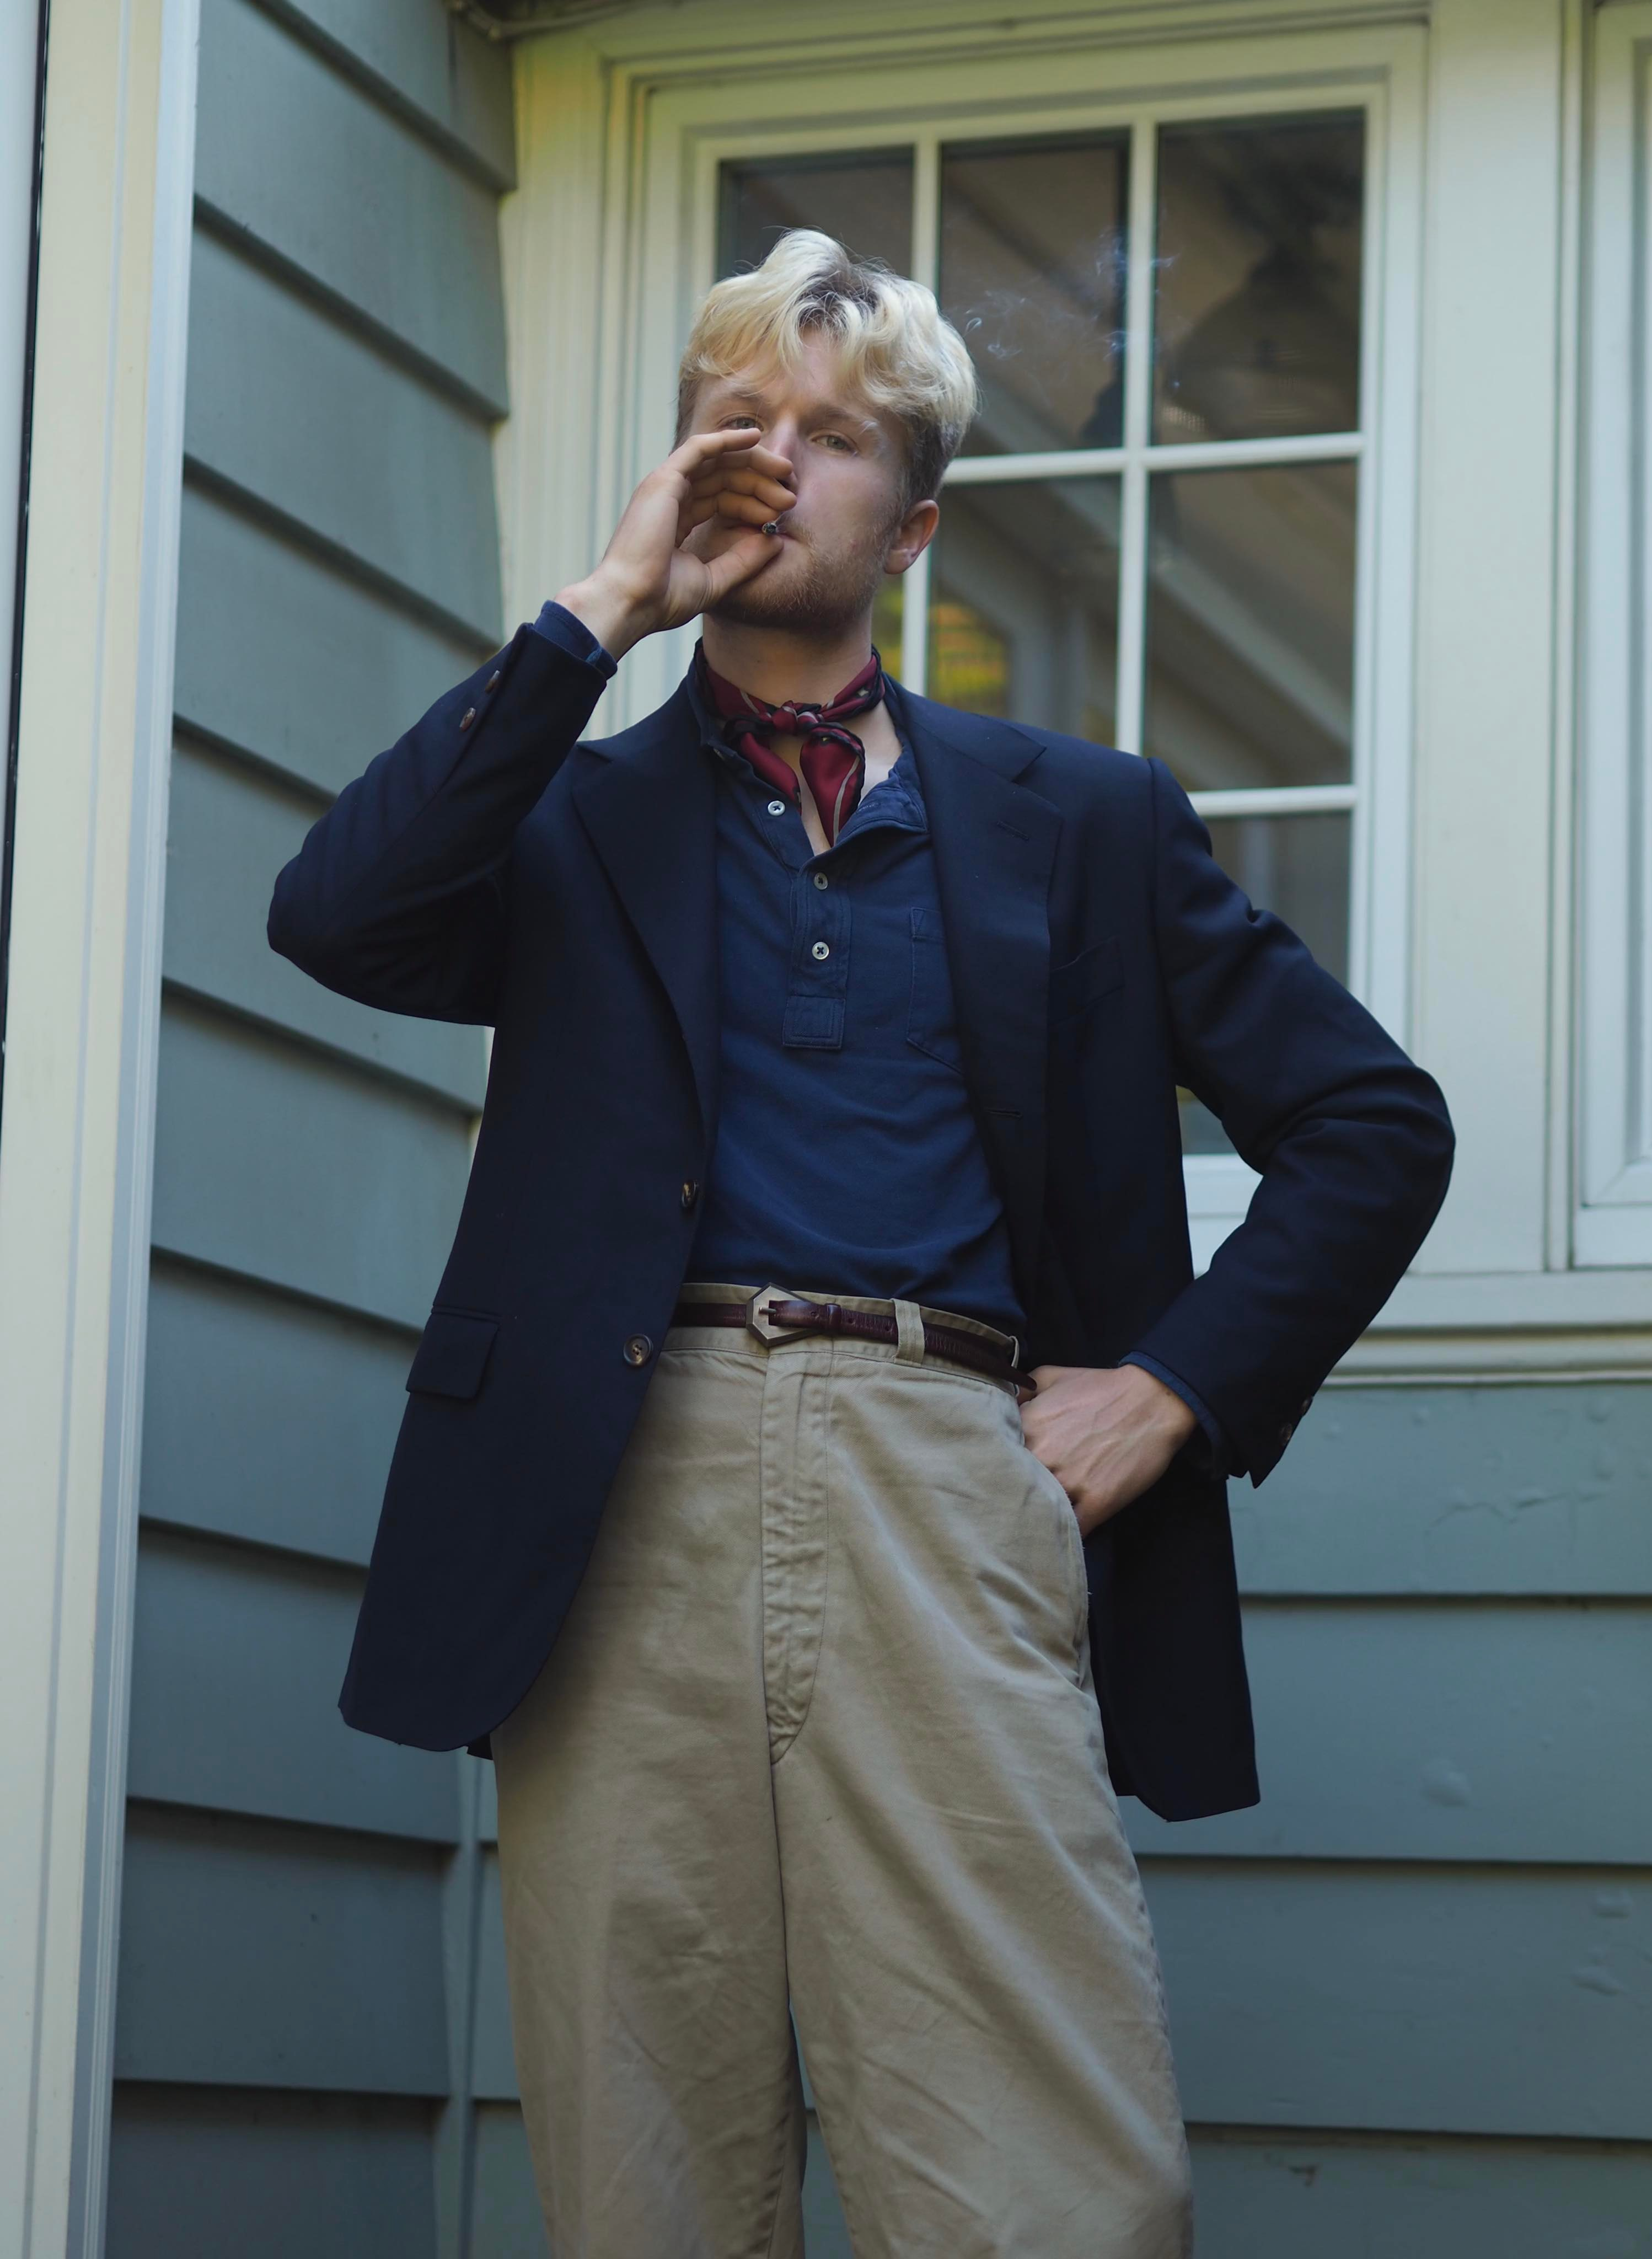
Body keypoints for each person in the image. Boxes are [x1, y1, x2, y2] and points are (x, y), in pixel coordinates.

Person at [269, 228, 1453, 2258]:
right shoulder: (562, 813)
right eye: (732, 419)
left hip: (950, 1476)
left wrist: (1174, 1386)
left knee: (1045, 2187)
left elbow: (1374, 1127)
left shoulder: (1083, 819)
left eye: (826, 435)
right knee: (646, 2182)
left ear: (913, 524)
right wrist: (604, 612)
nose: (769, 456)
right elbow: (336, 917)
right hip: (615, 1492)